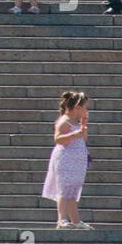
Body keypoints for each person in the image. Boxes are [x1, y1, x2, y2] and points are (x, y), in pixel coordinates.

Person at [41, 92, 92, 229]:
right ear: (77, 107)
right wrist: (74, 134)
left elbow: (83, 139)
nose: (86, 110)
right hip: (65, 159)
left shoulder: (75, 122)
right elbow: (58, 138)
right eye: (85, 107)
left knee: (73, 191)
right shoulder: (64, 121)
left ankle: (76, 221)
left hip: (76, 162)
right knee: (64, 189)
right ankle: (62, 219)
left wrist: (82, 126)